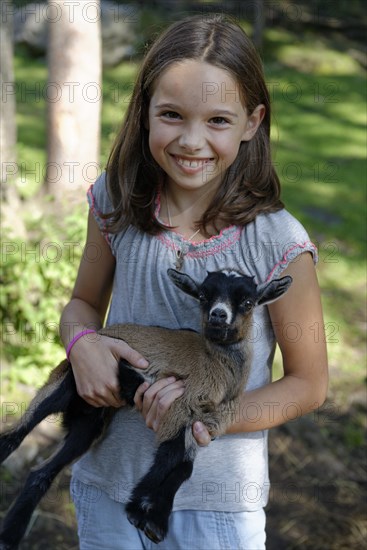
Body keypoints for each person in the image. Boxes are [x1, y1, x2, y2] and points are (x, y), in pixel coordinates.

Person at [60, 14, 328, 550]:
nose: (191, 140)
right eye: (172, 115)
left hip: (217, 505)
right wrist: (82, 344)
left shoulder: (277, 241)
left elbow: (309, 384)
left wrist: (210, 417)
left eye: (218, 121)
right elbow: (83, 303)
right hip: (107, 483)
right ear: (144, 113)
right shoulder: (115, 202)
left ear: (253, 122)